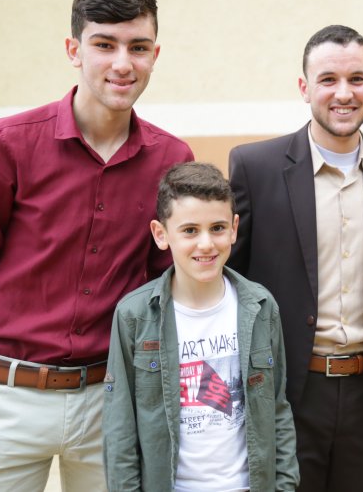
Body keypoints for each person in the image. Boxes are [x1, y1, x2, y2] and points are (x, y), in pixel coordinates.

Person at [0, 0, 193, 492]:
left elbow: (167, 294)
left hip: (111, 403)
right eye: (104, 45)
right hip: (8, 400)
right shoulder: (5, 144)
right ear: (74, 50)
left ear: (155, 55)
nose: (122, 63)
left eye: (138, 47)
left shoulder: (172, 159)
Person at [227, 24, 363, 491]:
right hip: (285, 392)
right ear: (304, 88)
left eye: (357, 79)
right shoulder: (255, 167)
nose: (343, 93)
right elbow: (229, 284)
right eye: (328, 80)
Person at [102, 162, 298, 491]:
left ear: (234, 229)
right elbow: (119, 427)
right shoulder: (134, 316)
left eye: (217, 228)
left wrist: (285, 485)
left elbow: (277, 409)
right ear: (161, 234)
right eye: (190, 230)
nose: (206, 244)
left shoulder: (261, 307)